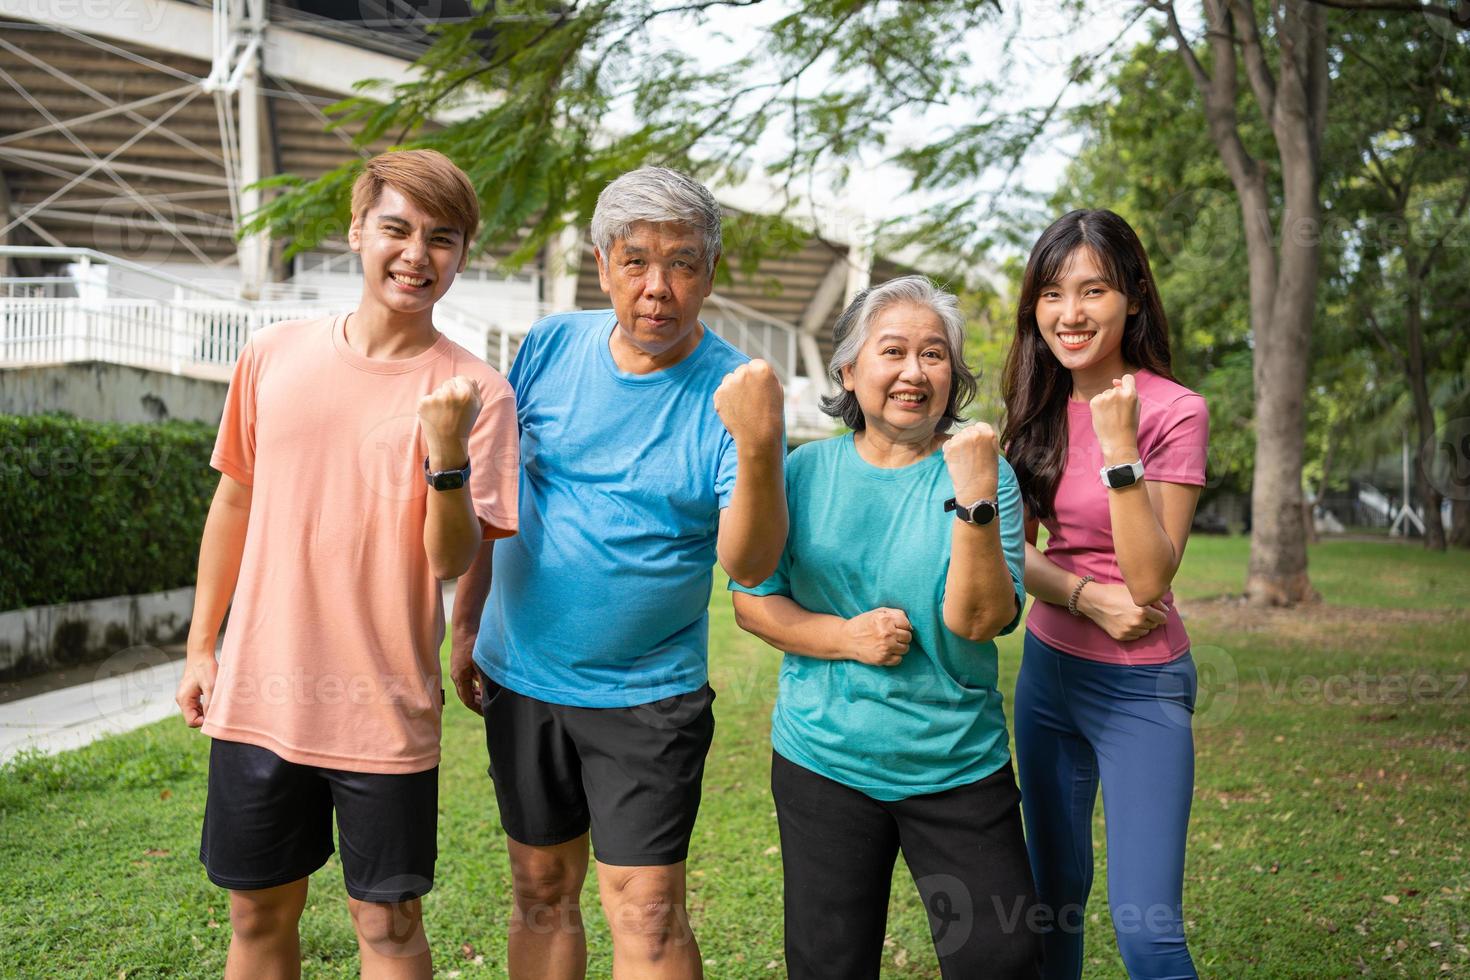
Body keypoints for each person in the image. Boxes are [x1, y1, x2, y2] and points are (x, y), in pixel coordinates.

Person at [174, 149, 520, 980]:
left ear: (462, 256)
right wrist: (199, 645)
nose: (416, 254)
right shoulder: (272, 354)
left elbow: (454, 559)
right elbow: (235, 502)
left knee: (390, 926)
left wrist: (445, 453)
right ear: (356, 231)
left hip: (382, 704)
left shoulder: (479, 393)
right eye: (397, 229)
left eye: (442, 238)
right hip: (261, 692)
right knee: (256, 913)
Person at [448, 166, 787, 979]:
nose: (657, 288)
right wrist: (466, 622)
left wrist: (759, 444)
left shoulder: (734, 390)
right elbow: (501, 496)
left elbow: (750, 560)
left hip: (647, 697)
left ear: (709, 272)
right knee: (539, 888)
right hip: (521, 675)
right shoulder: (550, 346)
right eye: (635, 261)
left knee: (647, 913)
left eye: (682, 263)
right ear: (602, 266)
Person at [730, 275, 1042, 979]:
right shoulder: (804, 473)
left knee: (1003, 958)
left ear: (954, 377)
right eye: (892, 350)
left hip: (957, 763)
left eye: (934, 355)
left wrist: (973, 501)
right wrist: (846, 638)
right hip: (825, 761)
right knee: (829, 964)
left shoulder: (984, 475)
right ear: (848, 369)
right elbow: (752, 601)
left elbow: (984, 618)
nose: (913, 371)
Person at [1001, 209, 1208, 979]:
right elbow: (1010, 553)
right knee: (1051, 899)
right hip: (1049, 676)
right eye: (1053, 294)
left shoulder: (1176, 410)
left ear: (1132, 298)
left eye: (1093, 290)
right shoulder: (1030, 409)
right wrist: (1087, 597)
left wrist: (1120, 448)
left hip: (1141, 690)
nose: (1071, 313)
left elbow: (1153, 576)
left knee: (1146, 930)